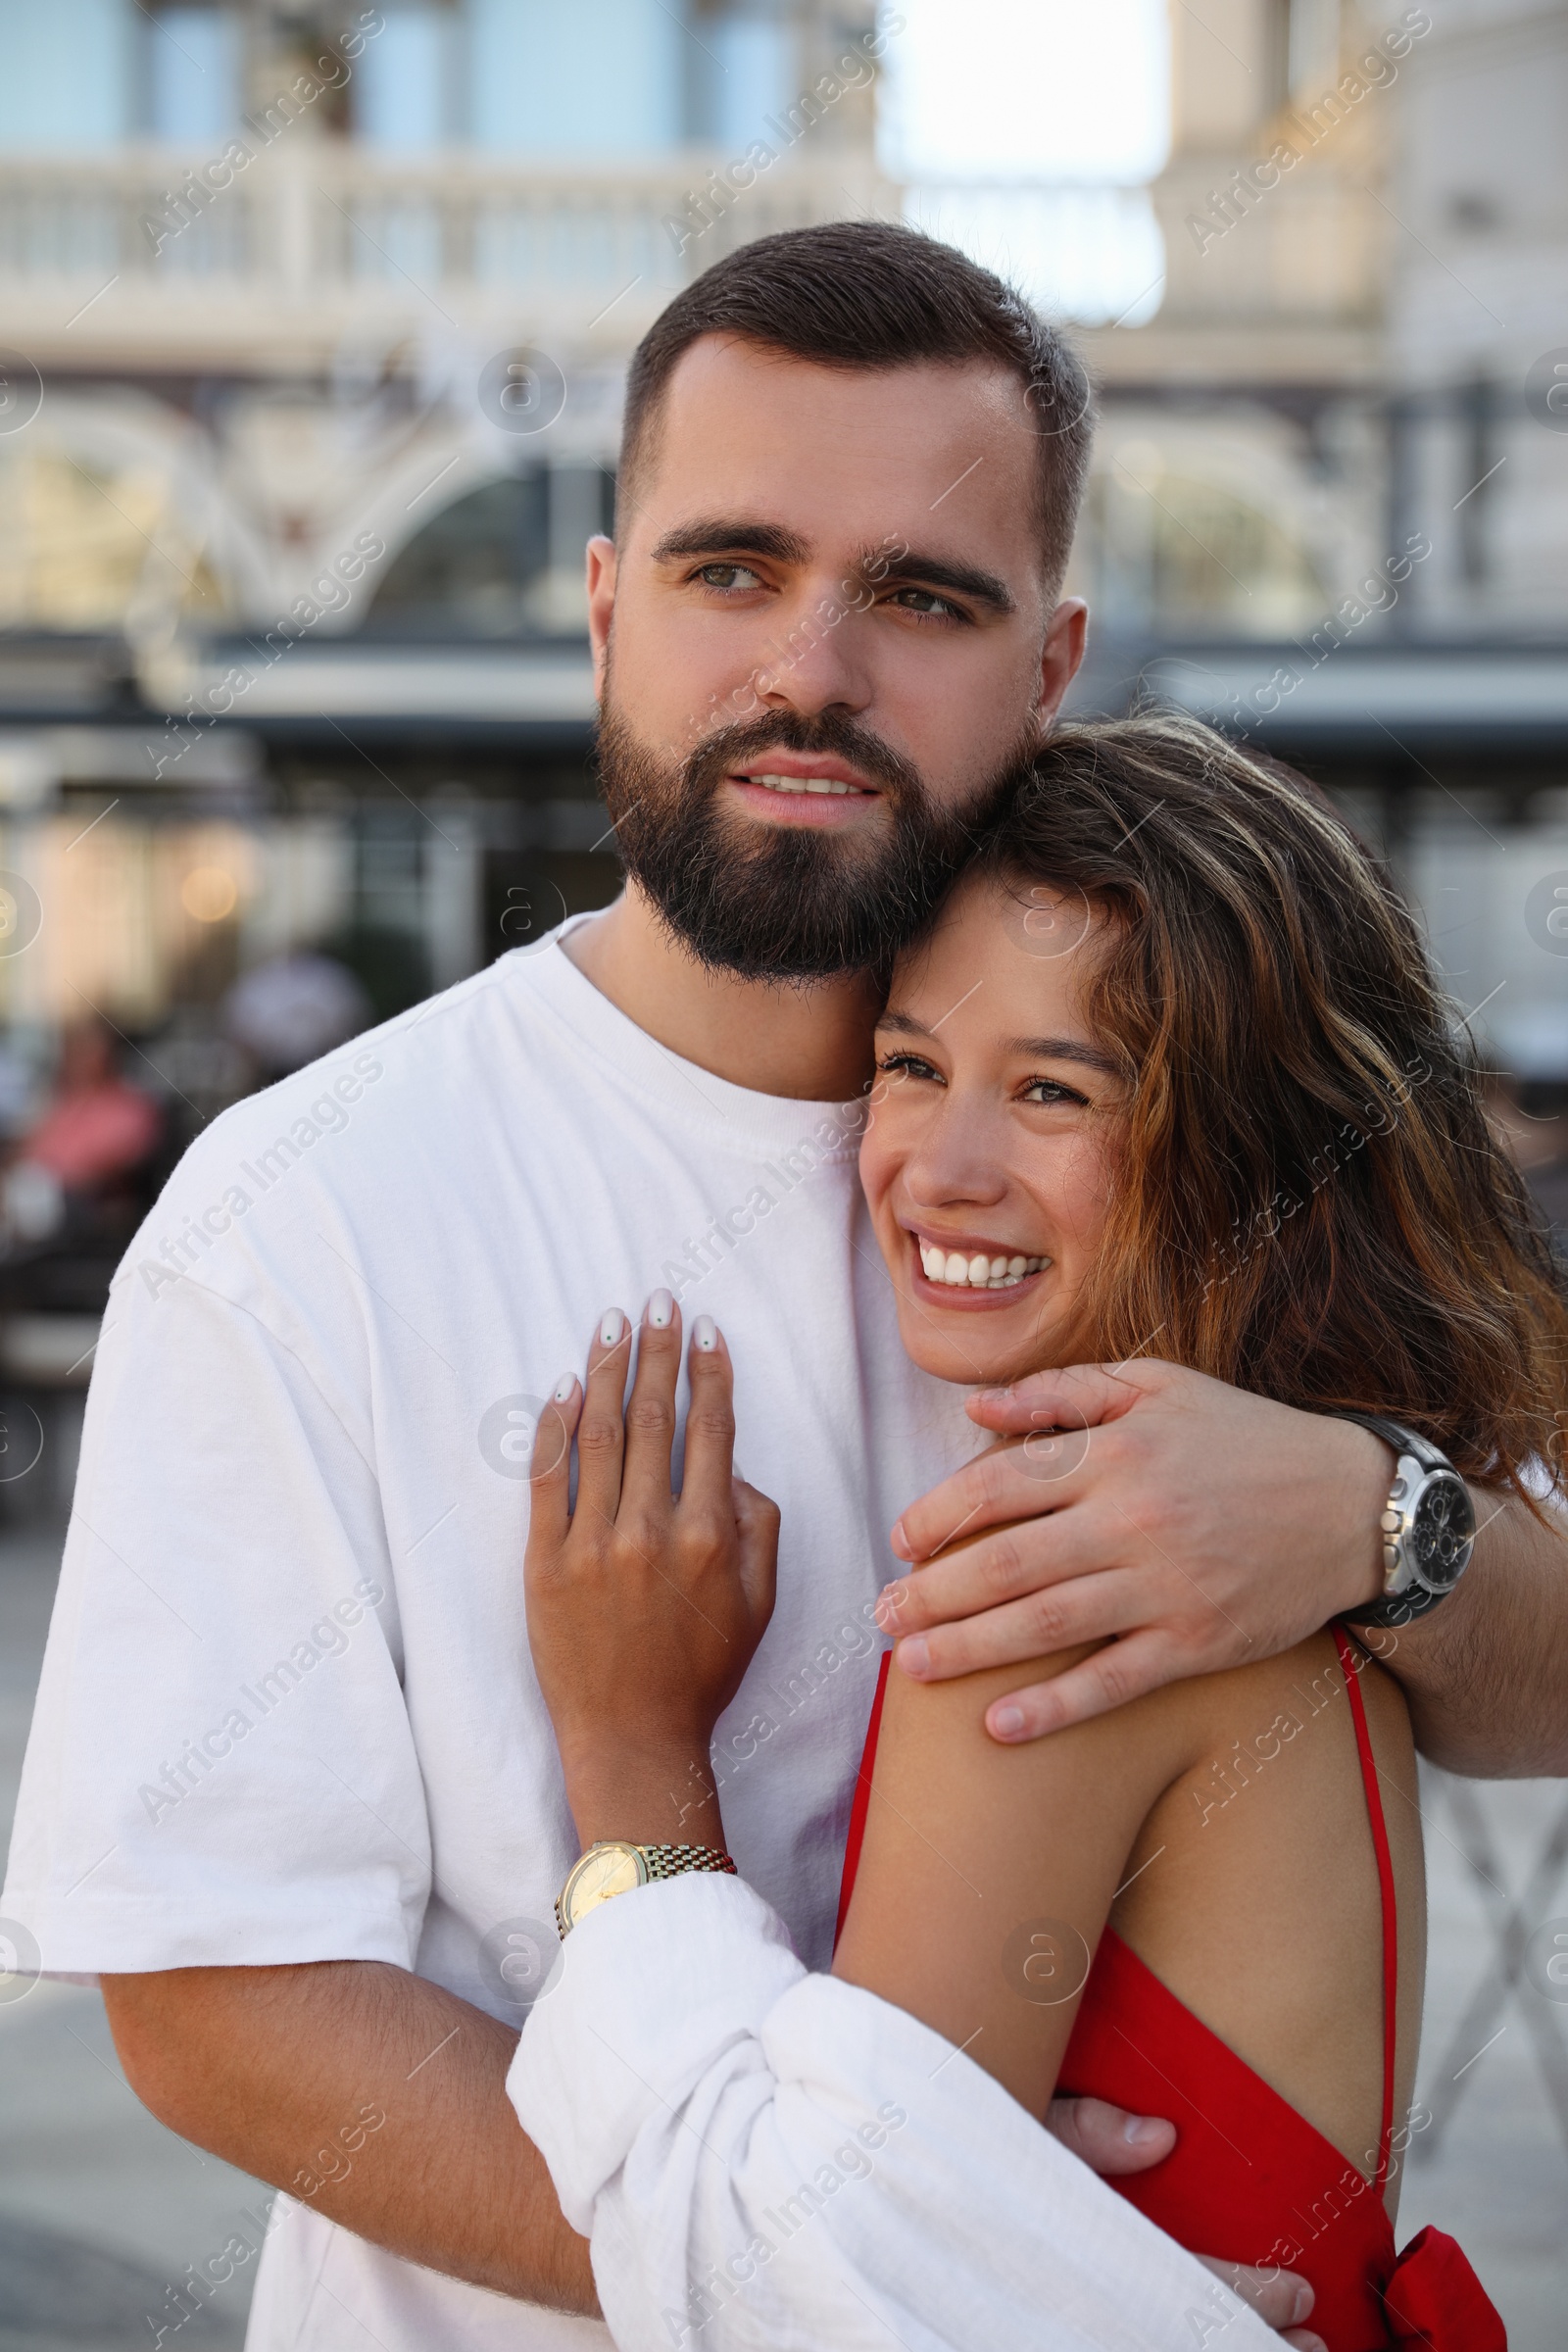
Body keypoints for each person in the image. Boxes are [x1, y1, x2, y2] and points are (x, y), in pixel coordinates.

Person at [3, 225, 1565, 2352]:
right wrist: (913, 2266)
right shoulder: (303, 1215)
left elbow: (1531, 1672)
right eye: (729, 570)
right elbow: (212, 1998)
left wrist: (1372, 1525)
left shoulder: (1172, 1165)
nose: (806, 667)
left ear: (1051, 659)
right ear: (603, 610)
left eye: (919, 595)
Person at [514, 716, 1548, 2350]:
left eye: (1055, 1089)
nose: (943, 1168)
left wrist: (629, 1760)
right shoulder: (1271, 1504)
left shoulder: (1076, 1579)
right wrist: (982, 2236)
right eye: (912, 1065)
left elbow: (783, 2283)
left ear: (1245, 1146)